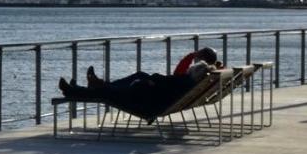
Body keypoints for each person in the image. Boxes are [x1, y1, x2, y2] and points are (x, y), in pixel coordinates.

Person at [57, 48, 223, 121]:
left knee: (108, 94)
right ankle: (92, 86)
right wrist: (150, 81)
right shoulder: (191, 82)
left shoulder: (184, 81)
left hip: (147, 105)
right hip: (156, 101)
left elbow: (164, 78)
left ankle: (77, 91)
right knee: (137, 77)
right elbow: (166, 80)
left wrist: (150, 81)